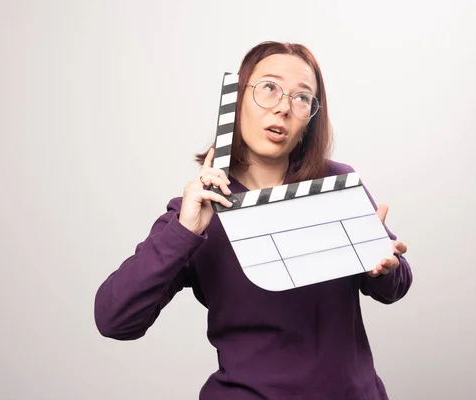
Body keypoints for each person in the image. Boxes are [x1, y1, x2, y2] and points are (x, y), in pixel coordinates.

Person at [94, 40, 413, 399]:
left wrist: (385, 265)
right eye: (269, 88)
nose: (283, 108)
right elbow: (114, 319)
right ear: (236, 101)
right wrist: (184, 232)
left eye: (301, 97)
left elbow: (395, 284)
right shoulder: (198, 210)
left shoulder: (335, 185)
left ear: (309, 120)